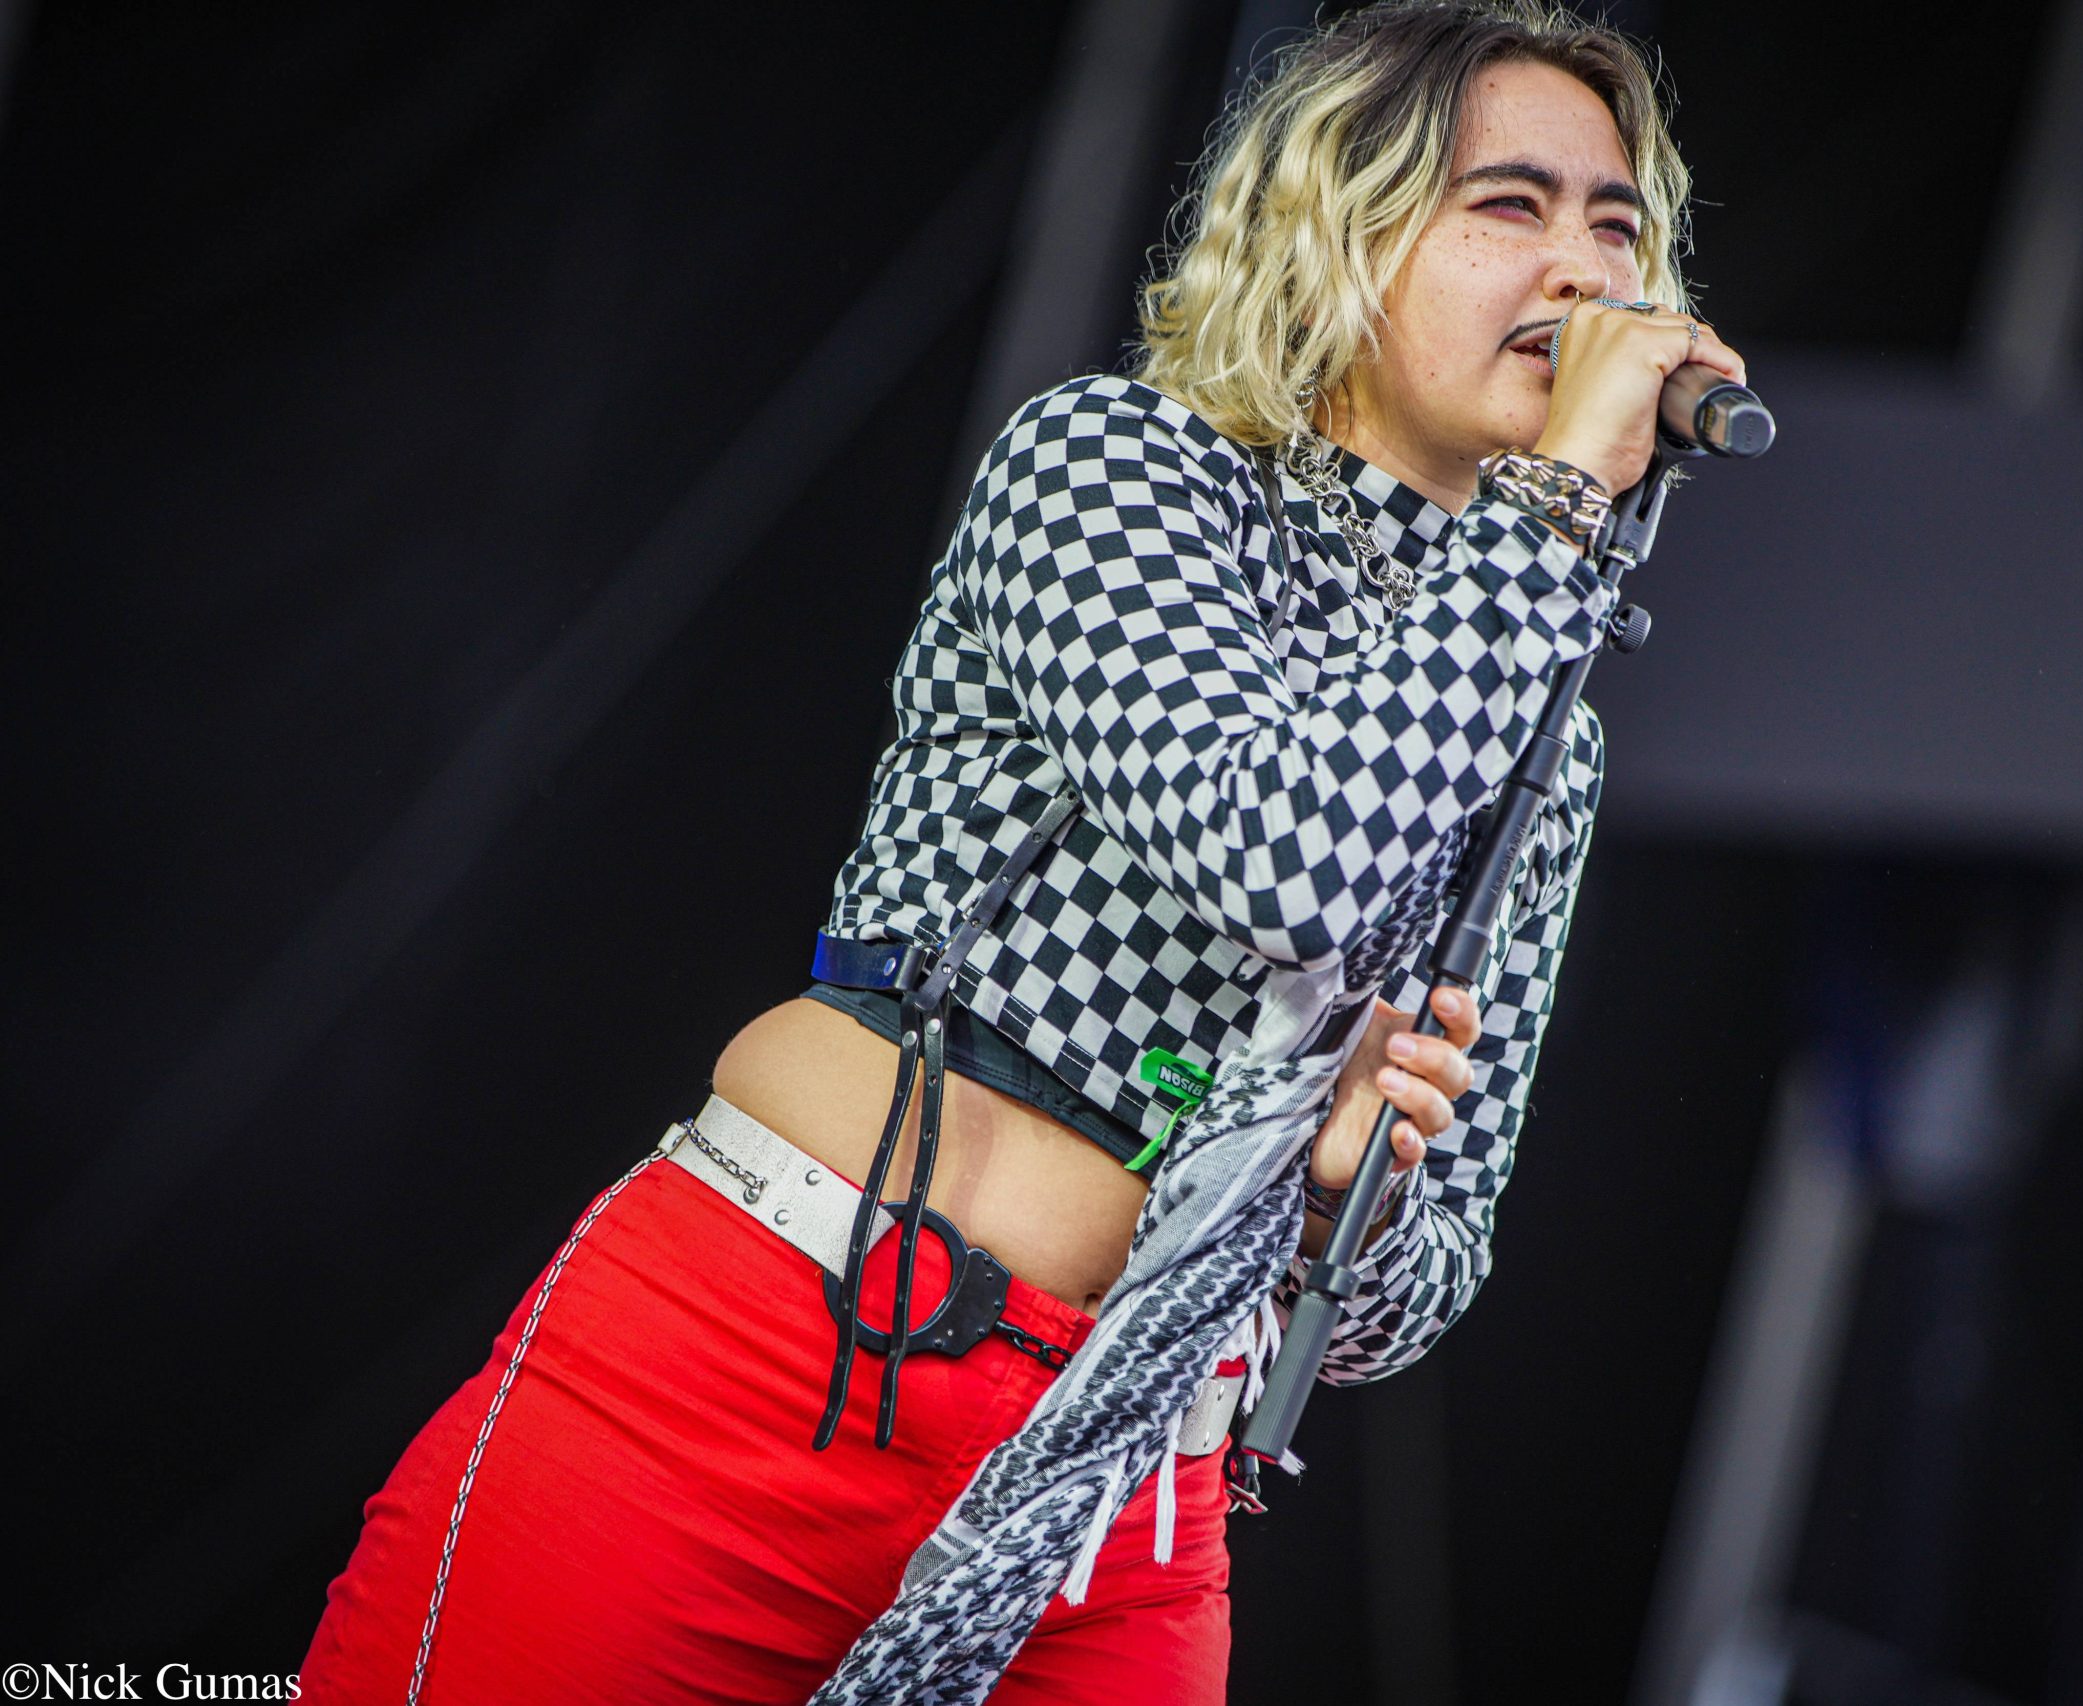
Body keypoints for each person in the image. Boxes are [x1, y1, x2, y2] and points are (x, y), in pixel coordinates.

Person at [297, 1, 1744, 1700]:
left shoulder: (1540, 731)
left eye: (1619, 227)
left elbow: (1404, 1306)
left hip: (1120, 1497)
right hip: (768, 1367)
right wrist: (1554, 512)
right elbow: (1281, 858)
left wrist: (1353, 1197)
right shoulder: (1119, 468)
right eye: (1512, 204)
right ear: (1339, 238)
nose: (1585, 271)